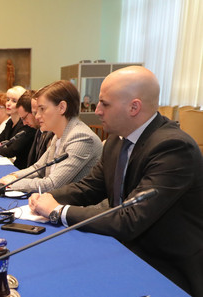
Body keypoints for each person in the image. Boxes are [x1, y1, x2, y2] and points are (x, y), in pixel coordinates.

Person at [28, 66, 203, 296]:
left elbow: (130, 218)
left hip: (163, 267)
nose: (97, 110)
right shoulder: (115, 141)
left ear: (134, 107)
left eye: (105, 104)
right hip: (121, 248)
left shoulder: (173, 148)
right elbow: (90, 187)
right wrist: (47, 198)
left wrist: (58, 211)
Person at [0, 80, 102, 193]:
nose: (37, 116)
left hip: (76, 207)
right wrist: (14, 176)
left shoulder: (81, 138)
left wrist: (11, 184)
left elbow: (52, 184)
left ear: (62, 107)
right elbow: (38, 169)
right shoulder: (59, 135)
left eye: (42, 109)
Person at [0, 88, 36, 169]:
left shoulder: (27, 127)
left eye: (14, 101)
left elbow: (11, 151)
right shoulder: (10, 122)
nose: (8, 104)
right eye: (7, 100)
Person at [16, 91, 53, 167]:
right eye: (35, 113)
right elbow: (36, 167)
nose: (37, 116)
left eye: (41, 110)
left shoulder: (51, 134)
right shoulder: (40, 131)